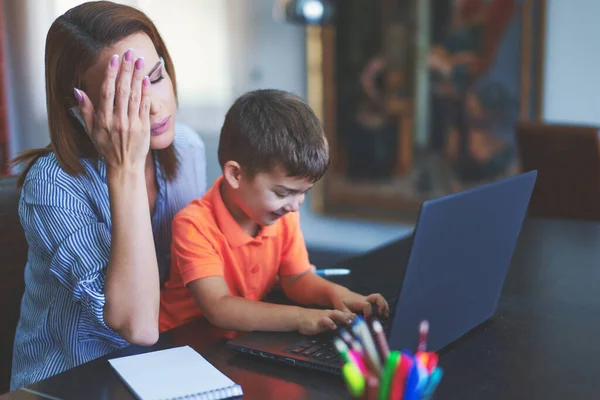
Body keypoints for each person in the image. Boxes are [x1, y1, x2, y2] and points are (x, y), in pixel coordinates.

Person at [10, 1, 206, 390]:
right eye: (123, 97)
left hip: (162, 369)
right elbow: (137, 325)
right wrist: (125, 168)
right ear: (78, 108)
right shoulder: (51, 185)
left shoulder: (188, 149)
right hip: (67, 385)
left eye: (155, 76)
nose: (152, 105)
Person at [159, 89, 389, 338]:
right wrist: (301, 318)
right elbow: (219, 307)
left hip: (239, 341)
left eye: (304, 192)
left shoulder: (284, 215)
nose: (295, 204)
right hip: (181, 345)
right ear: (236, 175)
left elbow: (297, 278)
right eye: (282, 193)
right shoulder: (194, 225)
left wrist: (338, 295)